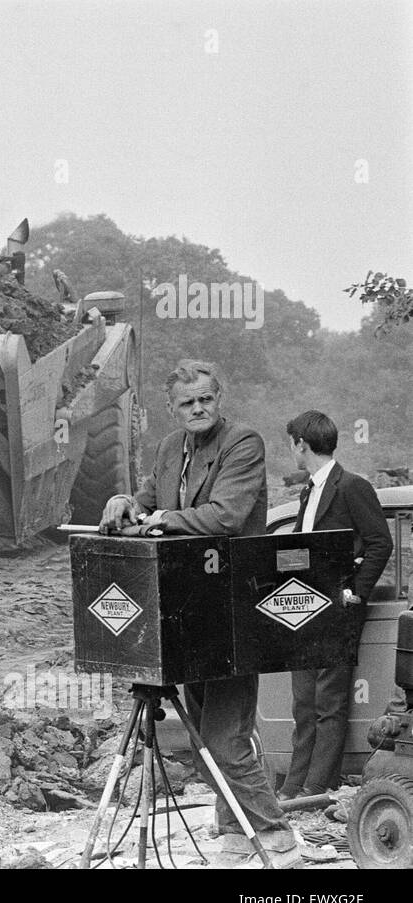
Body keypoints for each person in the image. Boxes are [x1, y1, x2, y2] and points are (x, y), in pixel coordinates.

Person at [99, 359, 300, 867]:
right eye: (186, 403)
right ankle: (235, 834)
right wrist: (125, 501)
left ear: (219, 399)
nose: (197, 409)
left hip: (235, 611)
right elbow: (148, 498)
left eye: (205, 399)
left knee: (225, 739)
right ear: (171, 410)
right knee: (204, 737)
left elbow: (227, 517)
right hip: (189, 613)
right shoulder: (170, 447)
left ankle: (277, 838)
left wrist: (163, 519)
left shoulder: (243, 443)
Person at [279, 410, 392, 799]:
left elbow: (381, 542)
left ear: (301, 445)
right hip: (306, 608)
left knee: (329, 702)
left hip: (338, 609)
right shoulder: (309, 489)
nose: (290, 450)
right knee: (303, 702)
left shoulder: (352, 487)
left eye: (291, 444)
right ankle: (295, 784)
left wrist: (356, 592)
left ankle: (316, 786)